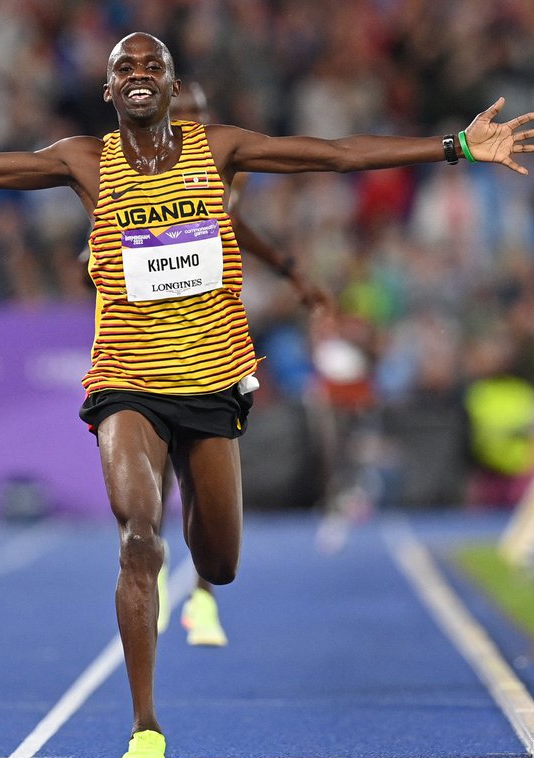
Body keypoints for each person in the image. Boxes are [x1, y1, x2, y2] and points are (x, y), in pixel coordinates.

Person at [0, 31, 534, 758]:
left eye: (152, 67)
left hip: (209, 383)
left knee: (221, 565)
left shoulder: (221, 150)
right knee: (139, 535)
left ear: (173, 87)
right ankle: (145, 725)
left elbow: (337, 156)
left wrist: (454, 146)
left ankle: (194, 553)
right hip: (127, 382)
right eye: (125, 68)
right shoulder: (83, 161)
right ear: (108, 89)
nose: (138, 76)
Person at [156, 80, 330, 648]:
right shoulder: (133, 161)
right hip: (149, 340)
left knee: (211, 478)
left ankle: (202, 597)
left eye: (197, 114)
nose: (188, 123)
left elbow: (232, 224)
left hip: (211, 336)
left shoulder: (224, 162)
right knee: (156, 470)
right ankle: (153, 571)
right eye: (177, 113)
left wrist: (288, 267)